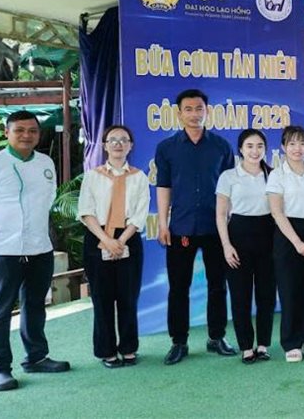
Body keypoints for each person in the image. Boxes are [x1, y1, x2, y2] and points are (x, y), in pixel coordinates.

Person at [0, 111, 69, 391]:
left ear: (38, 134)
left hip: (40, 248)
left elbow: (48, 201)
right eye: (20, 130)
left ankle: (36, 357)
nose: (27, 135)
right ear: (7, 133)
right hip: (4, 251)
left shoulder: (46, 163)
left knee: (35, 305)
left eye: (32, 131)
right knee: (0, 310)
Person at [153, 89, 237, 365]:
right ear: (179, 114)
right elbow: (163, 187)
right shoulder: (167, 148)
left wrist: (229, 223)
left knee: (218, 285)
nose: (194, 114)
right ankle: (179, 342)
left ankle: (216, 337)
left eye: (199, 108)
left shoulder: (221, 146)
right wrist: (163, 223)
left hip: (216, 227)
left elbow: (229, 188)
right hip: (181, 227)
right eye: (188, 109)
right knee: (179, 287)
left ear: (206, 111)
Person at [77, 124, 150, 368]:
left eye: (123, 140)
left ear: (131, 146)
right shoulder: (92, 176)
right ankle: (106, 351)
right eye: (113, 140)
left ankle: (129, 348)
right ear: (105, 146)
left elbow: (140, 215)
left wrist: (121, 240)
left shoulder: (139, 177)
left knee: (128, 297)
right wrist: (107, 240)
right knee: (102, 299)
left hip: (128, 237)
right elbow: (86, 212)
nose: (118, 144)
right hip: (97, 236)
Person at [267, 126, 304, 363]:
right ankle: (291, 342)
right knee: (289, 289)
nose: (297, 148)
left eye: (302, 143)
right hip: (287, 234)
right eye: (292, 144)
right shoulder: (277, 175)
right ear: (283, 147)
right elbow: (277, 212)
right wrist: (298, 243)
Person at [215, 129, 275, 364]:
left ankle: (263, 344)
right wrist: (226, 245)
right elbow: (221, 214)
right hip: (238, 238)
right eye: (249, 146)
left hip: (268, 237)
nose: (255, 151)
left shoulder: (273, 175)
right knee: (240, 296)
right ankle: (246, 347)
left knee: (266, 295)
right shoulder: (229, 176)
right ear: (240, 149)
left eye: (259, 146)